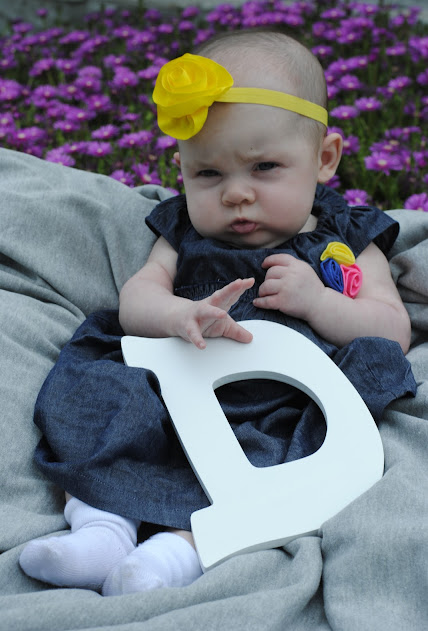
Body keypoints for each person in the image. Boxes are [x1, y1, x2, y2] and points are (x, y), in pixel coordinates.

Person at [20, 29, 416, 596]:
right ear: (182, 168)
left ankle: (178, 552)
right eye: (208, 174)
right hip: (176, 386)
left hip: (282, 402)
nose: (235, 194)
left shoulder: (346, 237)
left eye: (264, 167)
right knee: (105, 392)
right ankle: (101, 529)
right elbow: (138, 296)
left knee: (288, 457)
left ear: (324, 159)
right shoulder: (183, 228)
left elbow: (392, 331)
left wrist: (321, 302)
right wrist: (174, 314)